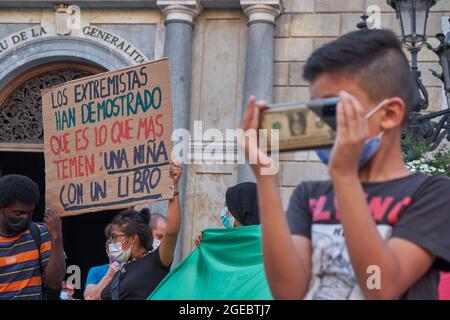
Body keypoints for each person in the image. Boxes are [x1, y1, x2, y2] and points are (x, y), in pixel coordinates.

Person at [241, 29, 450, 299]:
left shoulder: (433, 194)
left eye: (333, 110)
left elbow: (380, 287)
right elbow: (287, 292)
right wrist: (266, 176)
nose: (322, 125)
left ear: (388, 114)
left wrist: (344, 176)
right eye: (316, 111)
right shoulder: (310, 195)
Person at [100, 162, 182, 300]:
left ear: (133, 238)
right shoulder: (121, 270)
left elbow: (172, 232)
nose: (111, 243)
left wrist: (173, 186)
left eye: (115, 237)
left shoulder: (156, 262)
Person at [0, 174, 66, 300]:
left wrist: (57, 237)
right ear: (2, 209)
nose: (25, 218)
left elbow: (54, 283)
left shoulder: (40, 233)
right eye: (18, 213)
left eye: (30, 213)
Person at [195, 182, 259, 246]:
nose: (225, 211)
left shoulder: (263, 244)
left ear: (244, 208)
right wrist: (208, 242)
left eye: (229, 206)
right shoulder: (263, 241)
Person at [83, 226, 120, 300]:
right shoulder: (96, 270)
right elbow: (89, 297)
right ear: (108, 252)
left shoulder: (131, 268)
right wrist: (109, 276)